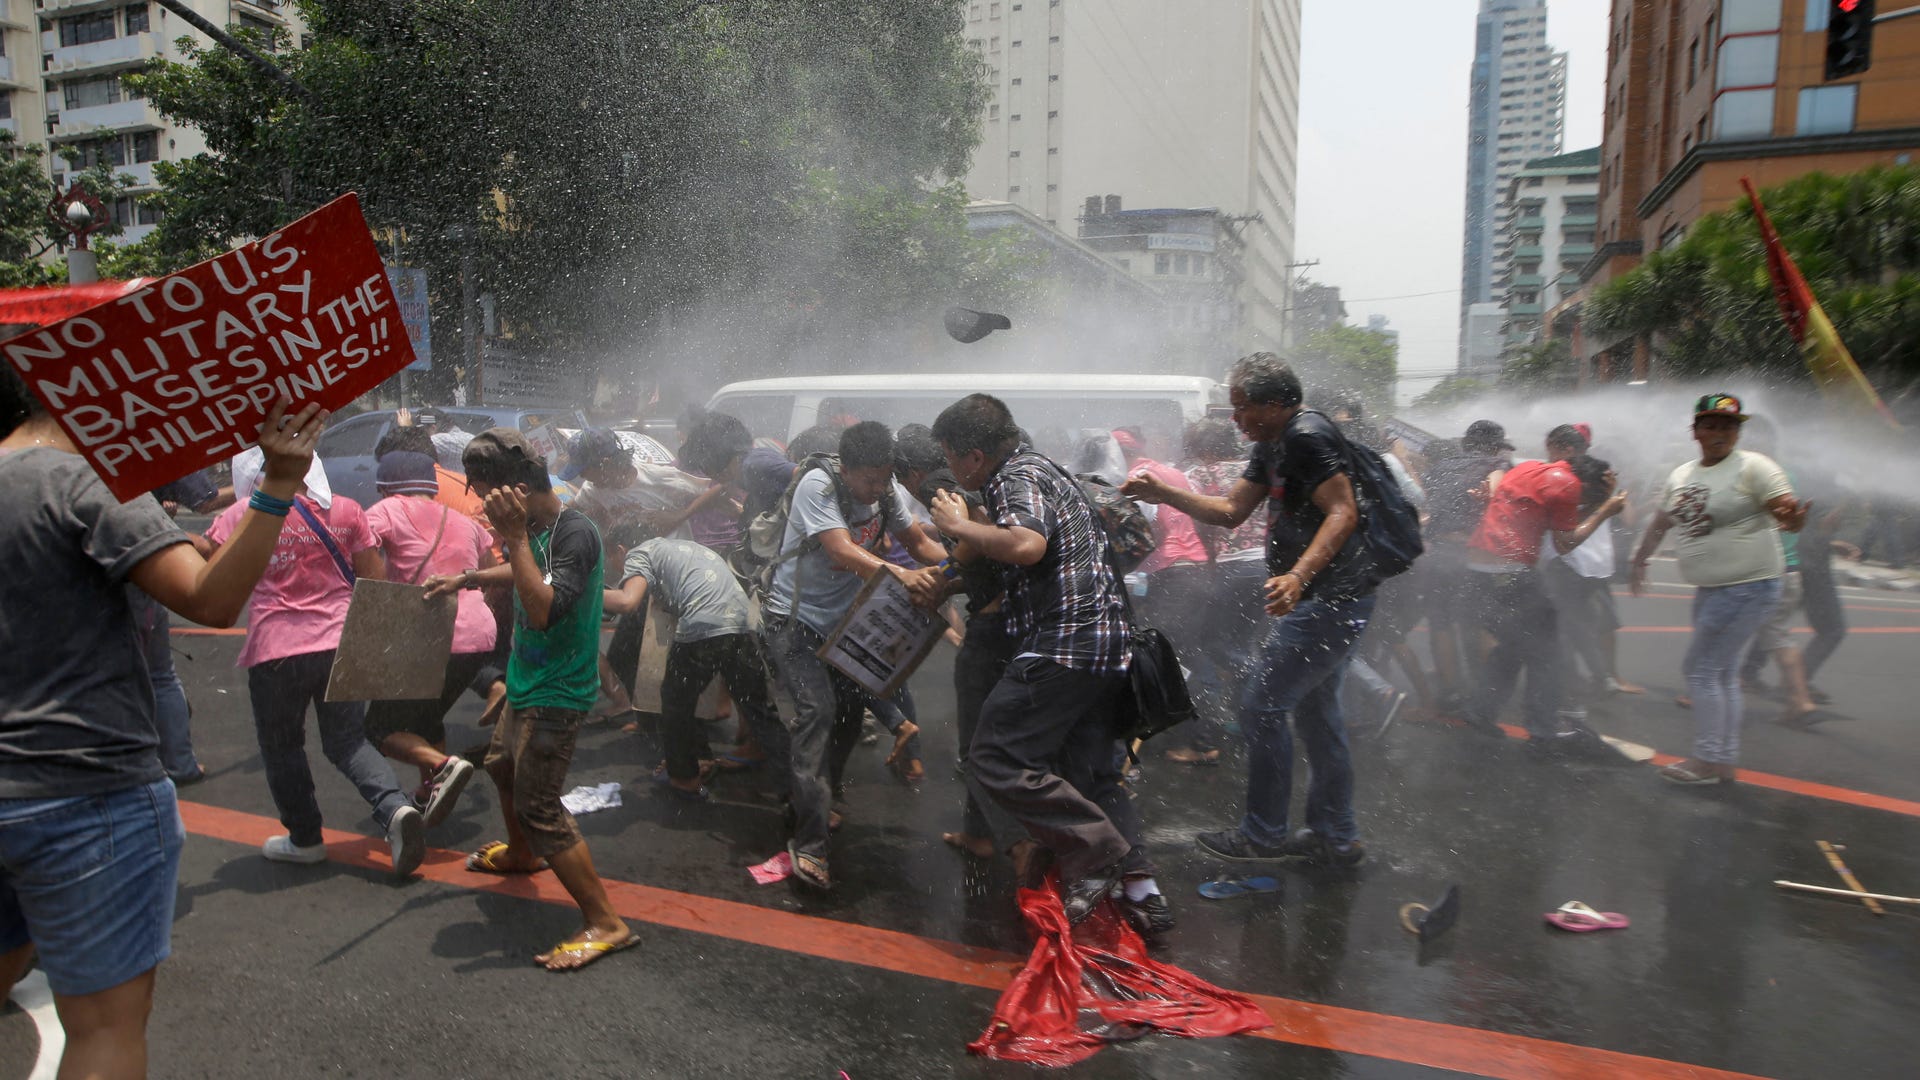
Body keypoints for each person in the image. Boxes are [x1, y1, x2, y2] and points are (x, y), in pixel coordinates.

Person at [3, 377, 323, 1079]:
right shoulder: (81, 481)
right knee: (103, 1030)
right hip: (87, 791)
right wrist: (278, 482)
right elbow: (211, 600)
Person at [915, 394, 1166, 931]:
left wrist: (958, 525)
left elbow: (1025, 545)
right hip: (1106, 642)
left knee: (994, 756)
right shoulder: (1046, 470)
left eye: (952, 458)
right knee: (1092, 772)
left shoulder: (1014, 477)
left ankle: (1098, 853)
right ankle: (1143, 894)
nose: (953, 473)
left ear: (975, 456)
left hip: (1065, 642)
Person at [1125, 353, 1376, 868]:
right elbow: (1231, 510)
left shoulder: (1308, 436)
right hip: (1322, 596)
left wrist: (1299, 574)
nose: (1234, 420)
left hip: (1332, 596)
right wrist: (1163, 491)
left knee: (1262, 705)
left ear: (1276, 403)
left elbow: (1343, 511)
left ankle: (1264, 835)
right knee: (1318, 712)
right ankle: (1336, 833)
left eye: (1242, 409)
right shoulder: (1271, 445)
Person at [423, 428, 635, 970]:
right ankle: (521, 855)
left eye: (487, 496)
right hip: (525, 680)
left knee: (540, 807)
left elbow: (543, 607)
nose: (480, 506)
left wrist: (512, 535)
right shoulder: (538, 528)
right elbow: (527, 572)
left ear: (515, 491)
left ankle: (605, 922)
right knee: (500, 766)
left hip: (558, 693)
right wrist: (468, 577)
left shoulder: (574, 533)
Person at [201, 447, 424, 878]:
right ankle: (395, 809)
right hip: (339, 643)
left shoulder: (244, 513)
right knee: (348, 742)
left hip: (276, 651)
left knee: (282, 747)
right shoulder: (345, 509)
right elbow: (374, 582)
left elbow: (206, 567)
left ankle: (304, 839)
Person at [760, 421, 945, 890]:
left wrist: (961, 565)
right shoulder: (817, 485)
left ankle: (812, 802)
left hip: (844, 619)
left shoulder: (886, 490)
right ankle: (810, 844)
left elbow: (919, 543)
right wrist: (899, 576)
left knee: (846, 713)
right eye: (868, 481)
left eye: (885, 480)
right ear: (846, 470)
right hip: (794, 618)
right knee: (816, 713)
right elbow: (841, 551)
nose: (877, 490)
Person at [1632, 395, 1805, 784]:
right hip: (1713, 589)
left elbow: (1785, 513)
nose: (1719, 433)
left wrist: (1793, 521)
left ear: (1738, 431)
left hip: (1747, 587)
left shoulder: (1755, 468)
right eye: (1710, 425)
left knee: (1701, 670)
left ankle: (1708, 761)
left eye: (1728, 426)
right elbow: (1662, 521)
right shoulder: (1683, 475)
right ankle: (1721, 759)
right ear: (1695, 431)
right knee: (1721, 674)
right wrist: (1640, 558)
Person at [1461, 428, 1627, 747]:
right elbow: (1566, 543)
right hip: (1509, 572)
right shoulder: (1568, 485)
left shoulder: (1528, 469)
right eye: (1588, 498)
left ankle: (1480, 709)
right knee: (1549, 651)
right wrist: (1605, 509)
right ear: (1586, 484)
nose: (1584, 504)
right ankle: (1544, 728)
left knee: (1513, 646)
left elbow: (1520, 508)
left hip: (1479, 570)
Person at [360, 451, 497, 825]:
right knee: (429, 715)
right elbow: (487, 574)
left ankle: (442, 765)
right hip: (478, 633)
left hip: (428, 633)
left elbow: (360, 550)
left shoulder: (386, 510)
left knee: (377, 729)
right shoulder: (464, 522)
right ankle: (430, 789)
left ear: (385, 486)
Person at [601, 532, 791, 802]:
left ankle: (684, 777)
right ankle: (801, 793)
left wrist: (583, 590)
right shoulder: (684, 547)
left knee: (675, 701)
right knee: (760, 710)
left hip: (704, 623)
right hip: (741, 622)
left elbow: (626, 601)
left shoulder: (638, 555)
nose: (618, 566)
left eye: (612, 558)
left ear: (620, 549)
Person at [1170, 418, 1267, 764]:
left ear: (1206, 448)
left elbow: (1196, 522)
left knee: (1211, 644)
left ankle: (1254, 707)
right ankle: (1249, 724)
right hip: (1263, 565)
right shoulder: (1253, 470)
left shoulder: (1199, 476)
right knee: (1241, 643)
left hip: (1232, 567)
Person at [1539, 426, 1644, 697]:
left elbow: (1625, 519)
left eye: (1553, 447)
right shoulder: (1595, 474)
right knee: (1576, 626)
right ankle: (1597, 678)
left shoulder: (1579, 475)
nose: (1549, 453)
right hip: (1587, 566)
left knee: (1570, 627)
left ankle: (1589, 680)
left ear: (1567, 449)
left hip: (1575, 564)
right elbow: (1627, 519)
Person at [1419, 421, 1515, 712]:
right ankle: (1487, 693)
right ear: (1495, 445)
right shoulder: (1497, 464)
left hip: (1438, 553)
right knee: (1481, 623)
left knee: (1441, 622)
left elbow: (1428, 506)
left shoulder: (1439, 468)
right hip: (1472, 555)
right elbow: (1496, 497)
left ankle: (1450, 692)